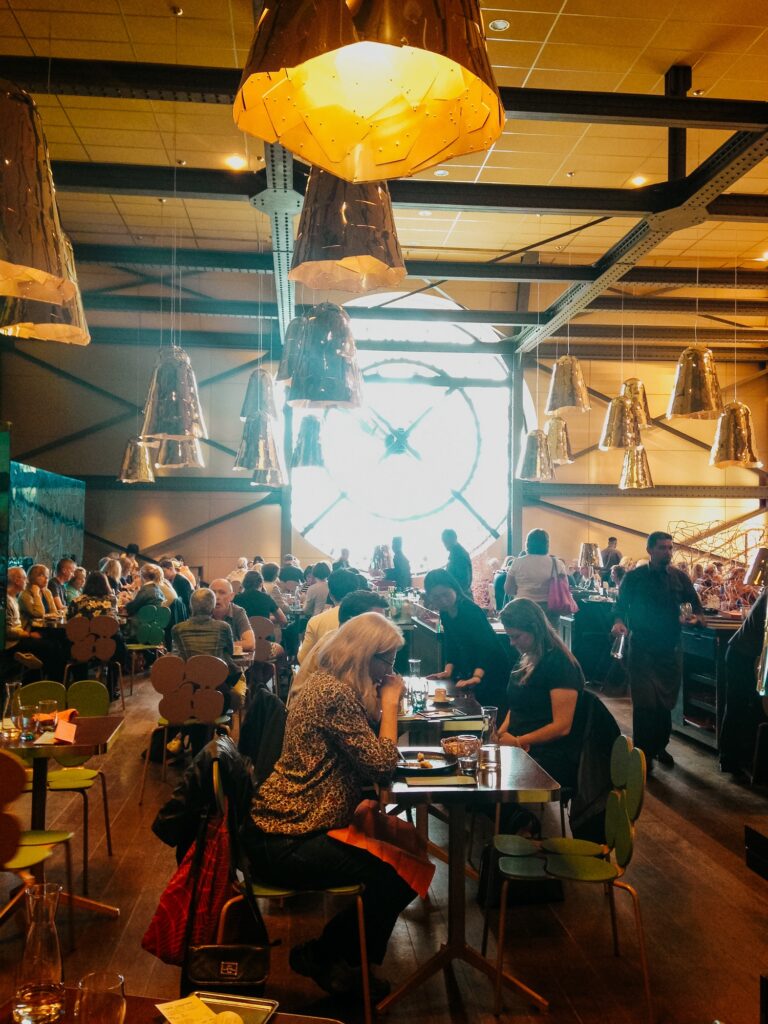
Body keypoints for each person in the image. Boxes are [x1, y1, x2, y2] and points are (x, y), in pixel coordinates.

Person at [242, 613, 417, 998]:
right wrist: (390, 703)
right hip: (286, 840)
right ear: (366, 656)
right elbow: (382, 765)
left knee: (407, 853)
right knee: (399, 874)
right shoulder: (334, 694)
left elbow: (371, 758)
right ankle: (327, 956)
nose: (391, 671)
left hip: (289, 826)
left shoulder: (329, 685)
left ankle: (341, 961)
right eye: (387, 661)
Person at [612, 531, 703, 769]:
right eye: (662, 548)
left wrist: (694, 618)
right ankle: (644, 753)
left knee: (665, 702)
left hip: (669, 649)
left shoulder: (680, 578)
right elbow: (619, 606)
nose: (668, 552)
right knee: (644, 702)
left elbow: (695, 606)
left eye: (670, 548)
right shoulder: (634, 578)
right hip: (641, 647)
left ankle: (660, 745)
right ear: (650, 550)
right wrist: (619, 622)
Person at [497, 598, 585, 788]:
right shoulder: (528, 656)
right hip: (525, 745)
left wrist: (519, 741)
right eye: (509, 637)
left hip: (551, 753)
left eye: (516, 636)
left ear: (535, 629)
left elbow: (562, 726)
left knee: (485, 783)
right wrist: (502, 733)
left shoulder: (560, 664)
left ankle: (517, 816)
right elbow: (516, 705)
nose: (512, 643)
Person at [423, 569, 511, 713]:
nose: (443, 601)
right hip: (472, 667)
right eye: (436, 597)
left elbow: (486, 646)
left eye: (445, 594)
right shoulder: (445, 612)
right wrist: (448, 670)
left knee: (488, 713)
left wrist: (477, 676)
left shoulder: (469, 610)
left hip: (492, 667)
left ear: (455, 589)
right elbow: (451, 642)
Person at [289, 590, 390, 707]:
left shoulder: (336, 638)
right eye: (377, 623)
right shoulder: (337, 655)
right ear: (353, 622)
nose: (385, 629)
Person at [719, 590, 767, 774]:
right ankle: (729, 758)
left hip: (751, 656)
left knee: (751, 708)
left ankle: (747, 758)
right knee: (737, 706)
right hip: (742, 655)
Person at [171, 588, 243, 705]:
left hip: (189, 691)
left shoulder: (178, 629)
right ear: (212, 606)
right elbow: (230, 652)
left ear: (191, 606)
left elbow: (177, 657)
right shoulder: (223, 627)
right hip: (218, 690)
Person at [5, 566, 65, 680]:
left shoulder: (13, 598)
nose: (26, 581)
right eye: (24, 578)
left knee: (57, 644)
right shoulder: (10, 600)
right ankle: (51, 683)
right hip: (13, 644)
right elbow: (8, 631)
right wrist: (28, 635)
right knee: (52, 647)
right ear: (17, 580)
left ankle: (47, 682)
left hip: (21, 636)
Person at [297, 570, 367, 664]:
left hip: (325, 673)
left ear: (330, 595)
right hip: (360, 675)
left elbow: (303, 658)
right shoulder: (369, 619)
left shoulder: (316, 621)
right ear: (357, 592)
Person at [504, 529, 566, 617]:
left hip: (522, 607)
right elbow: (564, 587)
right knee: (550, 631)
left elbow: (508, 589)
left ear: (527, 544)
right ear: (547, 544)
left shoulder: (517, 562)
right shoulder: (557, 563)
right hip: (549, 609)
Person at [210, 578, 255, 652]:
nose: (216, 597)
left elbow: (250, 643)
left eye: (222, 593)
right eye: (212, 593)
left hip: (231, 659)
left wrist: (218, 646)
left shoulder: (238, 612)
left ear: (232, 596)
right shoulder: (202, 611)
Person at [18, 564, 58, 628]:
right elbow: (39, 613)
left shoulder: (47, 592)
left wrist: (46, 616)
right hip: (30, 630)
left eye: (47, 576)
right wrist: (36, 594)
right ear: (32, 577)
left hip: (47, 626)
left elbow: (55, 612)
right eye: (42, 575)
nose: (47, 578)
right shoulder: (25, 594)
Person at [441, 528, 472, 594]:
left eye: (445, 541)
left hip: (462, 596)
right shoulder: (457, 553)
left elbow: (464, 582)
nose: (444, 544)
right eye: (444, 541)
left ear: (452, 539)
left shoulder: (459, 555)